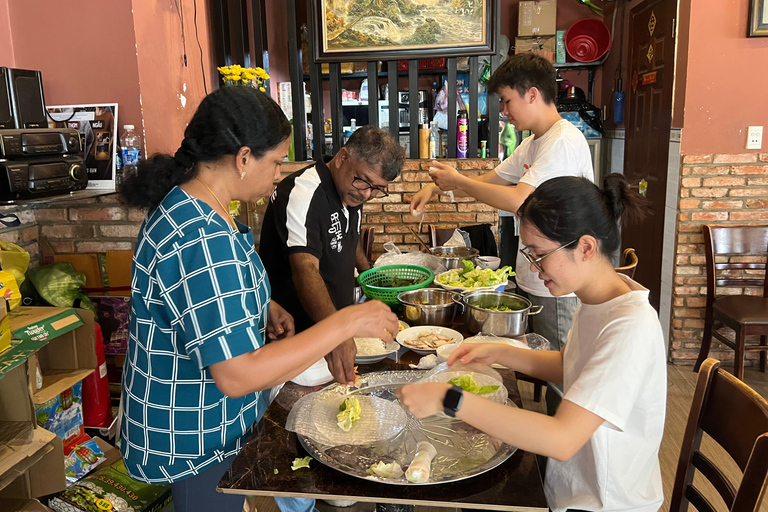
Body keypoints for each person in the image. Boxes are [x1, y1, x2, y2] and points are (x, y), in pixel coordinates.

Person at [119, 86, 398, 512]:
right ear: (244, 157)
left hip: (211, 430)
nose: (277, 173)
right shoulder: (203, 236)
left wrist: (261, 303)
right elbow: (235, 376)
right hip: (194, 439)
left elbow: (195, 297)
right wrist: (346, 323)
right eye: (275, 161)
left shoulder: (196, 207)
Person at [398, 175, 666, 512]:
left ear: (585, 247)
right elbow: (570, 365)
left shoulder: (628, 327)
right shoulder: (598, 297)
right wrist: (500, 351)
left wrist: (449, 398)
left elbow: (562, 438)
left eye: (539, 254)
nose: (532, 266)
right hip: (571, 482)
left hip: (603, 502)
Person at [409, 53, 594, 413]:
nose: (505, 112)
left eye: (507, 101)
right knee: (546, 365)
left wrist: (456, 180)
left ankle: (557, 451)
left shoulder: (562, 142)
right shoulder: (534, 142)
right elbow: (491, 181)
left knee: (563, 379)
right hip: (540, 272)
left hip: (561, 277)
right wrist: (439, 189)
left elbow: (516, 200)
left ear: (533, 94)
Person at [259, 125, 403, 385]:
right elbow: (305, 269)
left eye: (377, 188)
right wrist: (336, 334)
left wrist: (373, 279)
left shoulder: (351, 191)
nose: (366, 193)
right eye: (363, 180)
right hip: (297, 339)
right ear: (343, 157)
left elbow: (350, 240)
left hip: (333, 331)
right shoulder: (303, 192)